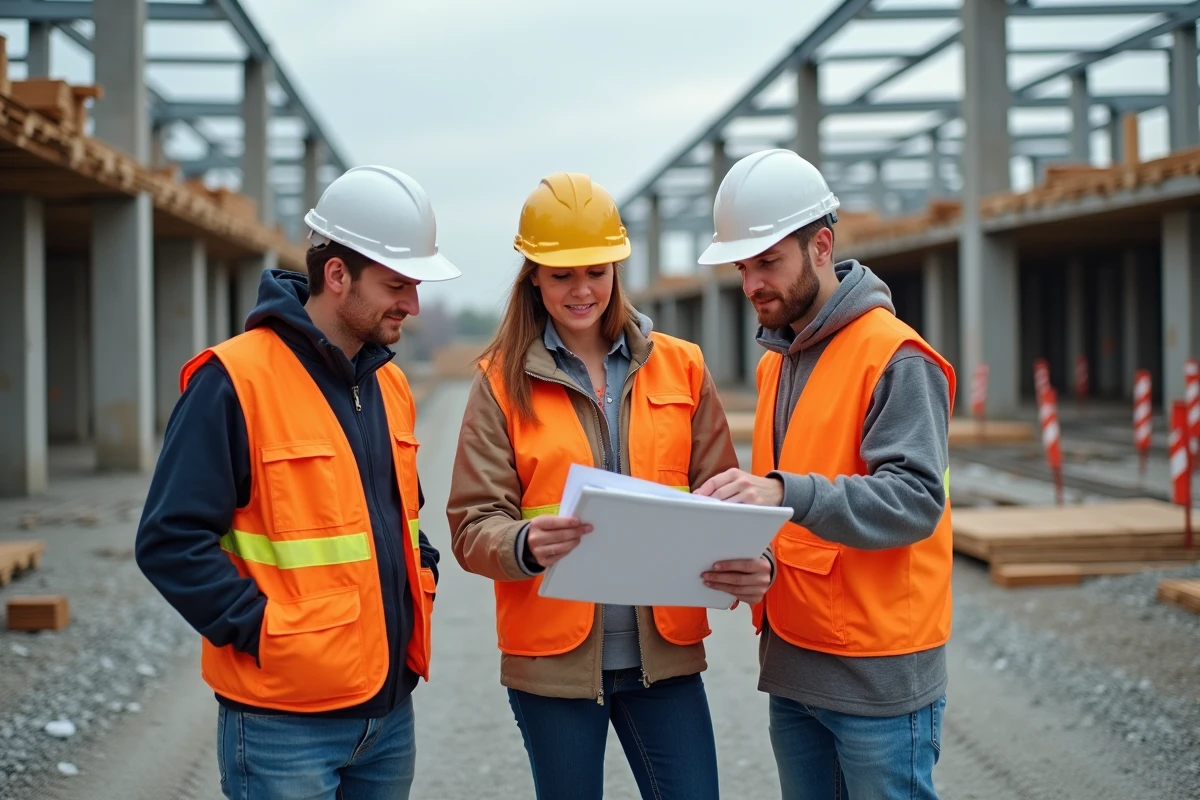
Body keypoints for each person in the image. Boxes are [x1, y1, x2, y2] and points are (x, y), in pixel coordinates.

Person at [135, 166, 460, 800]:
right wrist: (262, 630)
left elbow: (402, 516)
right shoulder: (235, 380)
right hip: (283, 724)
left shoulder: (389, 384)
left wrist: (421, 572)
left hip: (389, 713)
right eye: (396, 284)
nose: (413, 305)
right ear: (336, 275)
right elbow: (169, 541)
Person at [446, 172, 772, 800]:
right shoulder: (499, 383)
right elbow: (471, 526)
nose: (581, 289)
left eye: (596, 271)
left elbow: (725, 496)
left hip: (666, 659)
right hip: (553, 666)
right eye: (562, 274)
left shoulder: (682, 366)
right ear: (534, 276)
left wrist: (757, 561)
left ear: (616, 270)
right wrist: (525, 543)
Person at [694, 149, 955, 800]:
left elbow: (914, 501)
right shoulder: (776, 365)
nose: (753, 283)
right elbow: (801, 525)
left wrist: (782, 493)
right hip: (795, 669)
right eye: (742, 267)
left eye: (767, 262)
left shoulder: (893, 356)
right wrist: (760, 562)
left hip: (878, 678)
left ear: (821, 246)